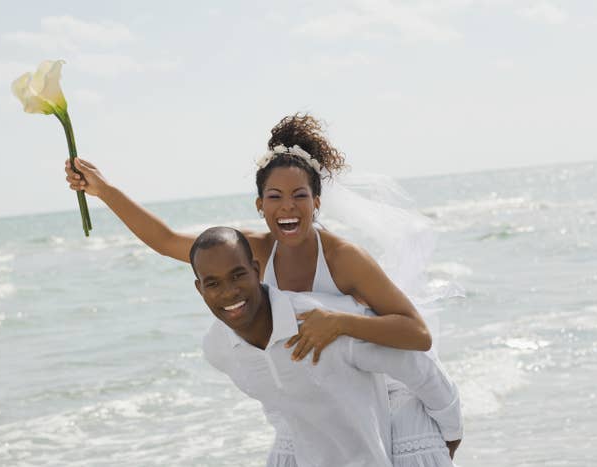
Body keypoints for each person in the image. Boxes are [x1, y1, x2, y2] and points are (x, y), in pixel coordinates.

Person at [65, 113, 454, 462]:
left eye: (299, 196)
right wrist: (102, 190)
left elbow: (416, 334)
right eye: (275, 197)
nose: (288, 207)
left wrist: (339, 322)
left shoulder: (343, 258)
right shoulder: (250, 252)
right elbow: (166, 240)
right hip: (319, 396)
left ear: (316, 202)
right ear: (259, 204)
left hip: (384, 384)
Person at [192, 227, 462, 467]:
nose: (228, 292)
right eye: (212, 283)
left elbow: (415, 364)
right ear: (199, 289)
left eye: (237, 275)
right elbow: (273, 398)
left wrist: (451, 433)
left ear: (255, 269)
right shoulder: (218, 349)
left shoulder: (323, 322)